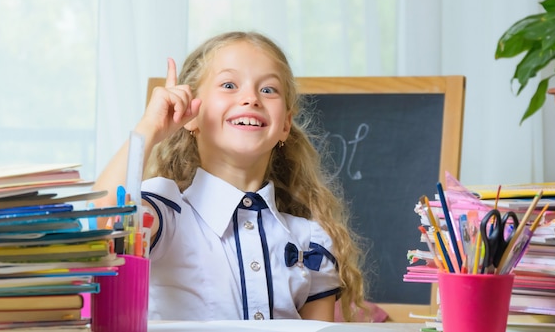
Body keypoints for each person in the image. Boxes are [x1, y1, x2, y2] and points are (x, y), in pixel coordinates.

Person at [93, 31, 366, 322]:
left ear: (285, 124)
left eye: (269, 90)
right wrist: (149, 128)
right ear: (192, 115)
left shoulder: (310, 240)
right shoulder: (165, 212)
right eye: (229, 85)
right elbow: (97, 224)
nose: (250, 98)